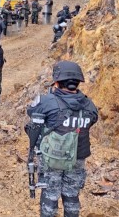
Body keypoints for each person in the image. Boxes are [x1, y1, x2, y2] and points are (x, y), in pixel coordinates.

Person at [27, 61, 98, 217]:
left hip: (52, 157)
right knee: (72, 195)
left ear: (57, 82)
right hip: (77, 157)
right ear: (78, 82)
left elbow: (31, 112)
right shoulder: (89, 104)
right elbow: (93, 119)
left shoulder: (47, 101)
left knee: (50, 195)